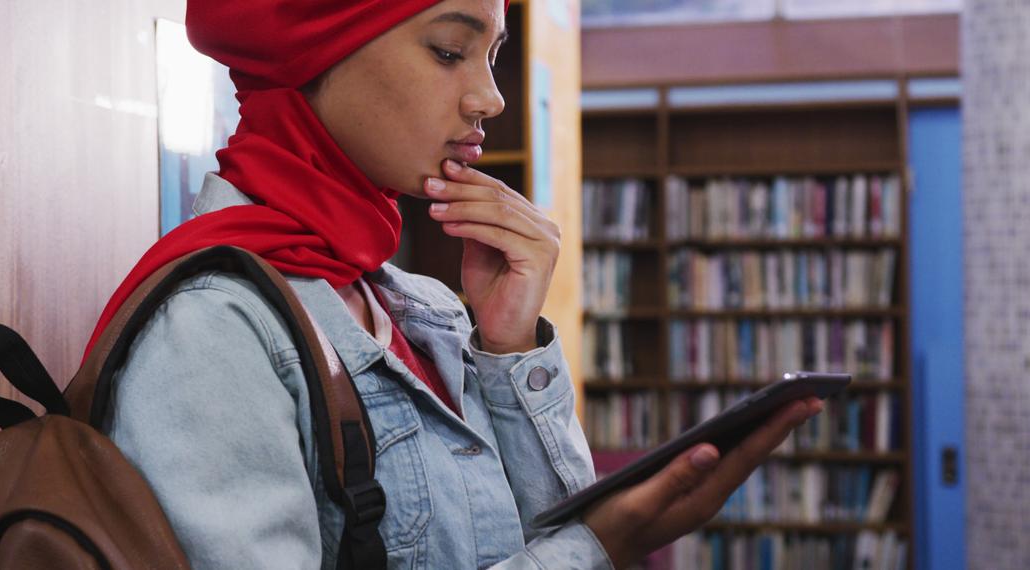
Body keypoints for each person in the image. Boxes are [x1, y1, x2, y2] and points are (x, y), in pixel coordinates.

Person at [83, 0, 824, 567]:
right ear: (313, 54)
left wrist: (510, 346)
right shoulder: (212, 329)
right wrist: (599, 545)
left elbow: (520, 541)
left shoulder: (421, 306)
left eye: (492, 56)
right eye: (449, 50)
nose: (490, 98)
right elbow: (569, 549)